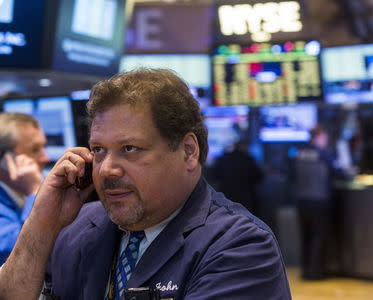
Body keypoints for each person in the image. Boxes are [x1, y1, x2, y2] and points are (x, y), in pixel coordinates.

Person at [0, 69, 291, 300]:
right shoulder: (75, 227)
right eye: (99, 149)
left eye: (129, 148)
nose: (107, 168)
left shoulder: (241, 247)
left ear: (189, 151)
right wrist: (41, 221)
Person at [291, 125, 339, 280]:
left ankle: (305, 271)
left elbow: (290, 175)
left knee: (305, 237)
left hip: (302, 201)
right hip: (319, 201)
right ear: (320, 136)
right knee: (318, 237)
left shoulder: (298, 152)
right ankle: (316, 273)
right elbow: (339, 173)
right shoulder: (324, 154)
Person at [0, 113, 49, 264]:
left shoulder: (23, 189)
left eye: (43, 147)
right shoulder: (32, 189)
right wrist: (35, 193)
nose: (45, 158)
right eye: (35, 150)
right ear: (6, 160)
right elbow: (17, 254)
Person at [213, 140, 263, 215]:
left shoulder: (224, 158)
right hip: (245, 196)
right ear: (243, 147)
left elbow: (215, 175)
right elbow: (258, 177)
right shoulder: (248, 159)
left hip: (227, 194)